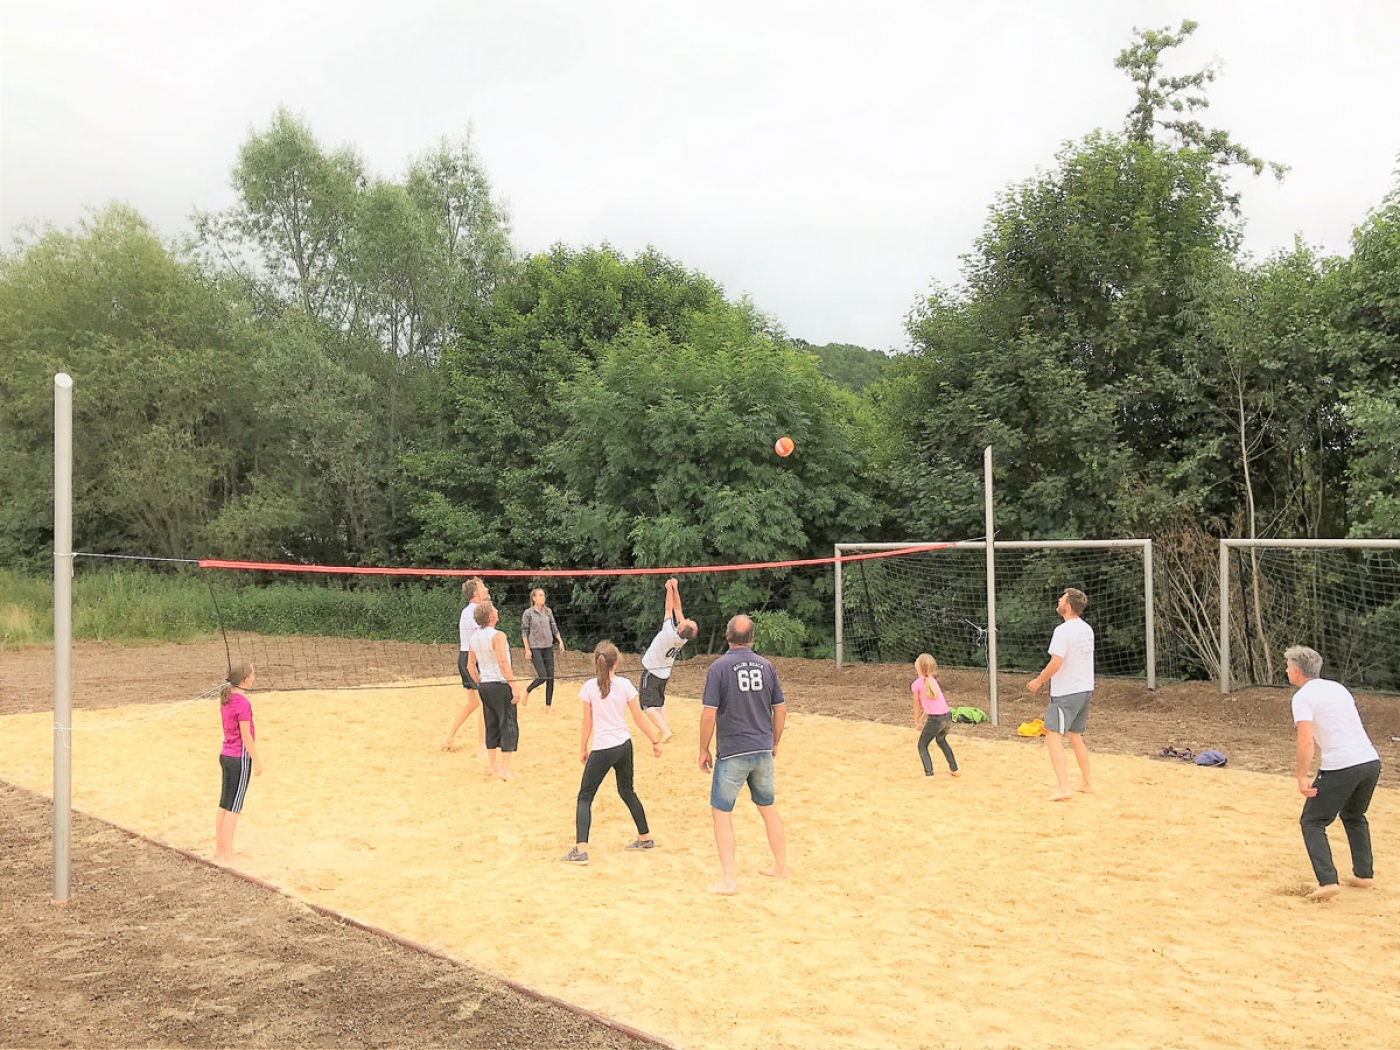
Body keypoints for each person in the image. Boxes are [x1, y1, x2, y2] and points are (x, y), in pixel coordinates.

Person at [698, 614, 788, 895]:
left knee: (722, 812)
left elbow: (708, 714)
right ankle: (781, 866)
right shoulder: (766, 666)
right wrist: (773, 741)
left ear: (727, 637)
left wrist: (703, 748)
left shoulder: (719, 668)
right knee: (768, 808)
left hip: (733, 751)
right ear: (752, 638)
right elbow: (781, 710)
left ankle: (729, 880)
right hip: (761, 748)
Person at [1285, 645, 1382, 901]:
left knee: (1312, 821)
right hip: (1370, 761)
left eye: (1287, 667)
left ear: (1296, 671)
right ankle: (1364, 874)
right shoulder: (1337, 687)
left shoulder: (1303, 697)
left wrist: (1302, 775)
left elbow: (1306, 740)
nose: (1286, 671)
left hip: (1342, 764)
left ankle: (1327, 881)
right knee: (1354, 814)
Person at [562, 640, 664, 865]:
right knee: (627, 791)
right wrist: (655, 740)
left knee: (585, 797)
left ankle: (581, 850)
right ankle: (645, 837)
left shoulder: (589, 687)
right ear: (616, 663)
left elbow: (586, 722)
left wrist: (582, 747)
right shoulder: (625, 685)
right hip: (624, 746)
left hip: (603, 748)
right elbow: (638, 717)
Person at [1027, 587, 1094, 801]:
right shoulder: (1086, 629)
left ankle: (1063, 787)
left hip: (1067, 692)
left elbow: (1057, 661)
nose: (1058, 600)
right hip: (1084, 689)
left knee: (1052, 735)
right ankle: (1086, 783)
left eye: (1062, 599)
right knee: (1075, 735)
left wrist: (1039, 680)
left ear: (1068, 606)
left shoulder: (1063, 631)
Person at [467, 600, 527, 781]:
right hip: (501, 684)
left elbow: (470, 665)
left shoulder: (474, 636)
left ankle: (492, 766)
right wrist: (514, 687)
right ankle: (504, 769)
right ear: (491, 616)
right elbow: (503, 663)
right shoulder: (498, 636)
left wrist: (480, 682)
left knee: (491, 723)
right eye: (495, 609)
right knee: (508, 725)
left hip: (485, 685)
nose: (498, 610)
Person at [639, 577, 698, 744]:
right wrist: (675, 588)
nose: (686, 619)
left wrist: (667, 590)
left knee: (646, 705)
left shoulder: (668, 632)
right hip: (664, 673)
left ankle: (664, 730)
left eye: (687, 621)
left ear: (681, 628)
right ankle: (665, 729)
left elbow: (669, 608)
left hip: (652, 671)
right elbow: (678, 609)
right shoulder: (683, 637)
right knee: (659, 702)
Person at [215, 662, 262, 864]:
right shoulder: (243, 703)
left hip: (225, 754)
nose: (254, 677)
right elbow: (246, 735)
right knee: (234, 807)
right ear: (245, 679)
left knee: (224, 805)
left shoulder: (226, 698)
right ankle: (228, 854)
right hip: (239, 758)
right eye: (252, 675)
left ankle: (220, 850)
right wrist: (257, 760)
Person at [442, 577, 489, 754]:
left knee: (472, 703)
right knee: (485, 704)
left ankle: (449, 738)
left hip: (465, 657)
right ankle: (482, 747)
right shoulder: (472, 612)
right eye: (483, 587)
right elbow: (479, 637)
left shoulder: (470, 611)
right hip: (472, 659)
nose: (487, 590)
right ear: (476, 593)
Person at [912, 653, 958, 777]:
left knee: (922, 745)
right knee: (941, 740)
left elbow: (917, 706)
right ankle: (954, 768)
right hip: (947, 716)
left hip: (935, 719)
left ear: (919, 666)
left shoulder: (916, 684)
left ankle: (929, 774)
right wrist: (922, 719)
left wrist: (917, 721)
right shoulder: (932, 681)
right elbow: (931, 706)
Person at [522, 587, 564, 710]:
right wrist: (527, 649)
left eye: (543, 595)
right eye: (539, 595)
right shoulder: (528, 613)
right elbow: (524, 632)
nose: (542, 597)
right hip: (535, 648)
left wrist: (560, 641)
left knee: (550, 678)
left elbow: (554, 628)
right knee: (543, 676)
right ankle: (527, 691)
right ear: (534, 598)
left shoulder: (548, 612)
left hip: (548, 647)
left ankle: (548, 707)